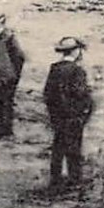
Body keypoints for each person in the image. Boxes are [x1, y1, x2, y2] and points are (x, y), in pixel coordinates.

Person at [43, 36, 94, 190]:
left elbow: (47, 93)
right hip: (73, 116)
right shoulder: (77, 70)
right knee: (74, 148)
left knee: (58, 147)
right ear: (76, 51)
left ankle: (55, 179)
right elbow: (80, 93)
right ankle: (74, 179)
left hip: (58, 116)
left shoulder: (54, 68)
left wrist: (54, 112)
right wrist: (86, 103)